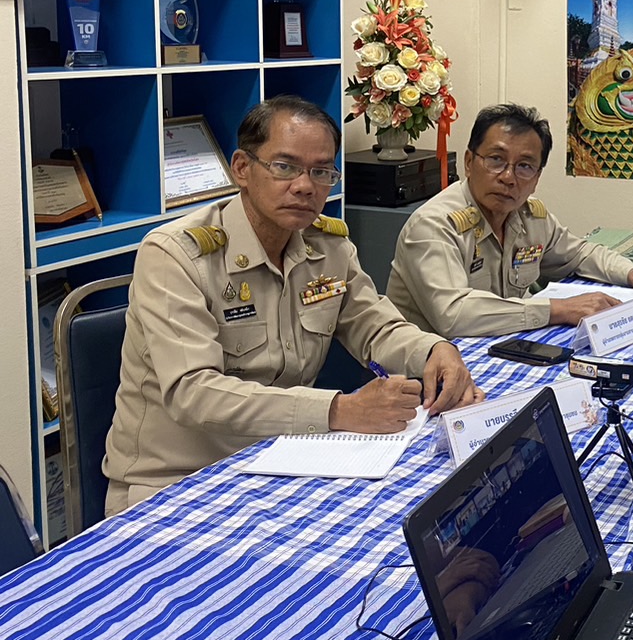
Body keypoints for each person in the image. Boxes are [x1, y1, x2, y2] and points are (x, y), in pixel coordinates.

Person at [103, 97, 482, 514]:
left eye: (321, 172)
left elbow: (375, 326)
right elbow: (194, 392)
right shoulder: (176, 255)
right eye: (285, 167)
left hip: (284, 459)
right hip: (177, 482)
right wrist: (340, 410)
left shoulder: (328, 245)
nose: (305, 186)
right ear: (242, 168)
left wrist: (435, 350)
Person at [386, 102, 633, 338]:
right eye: (496, 160)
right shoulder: (434, 225)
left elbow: (580, 254)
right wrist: (558, 309)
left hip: (501, 347)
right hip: (425, 372)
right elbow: (453, 315)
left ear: (537, 178)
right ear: (468, 162)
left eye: (525, 166)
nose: (508, 177)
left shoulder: (529, 216)